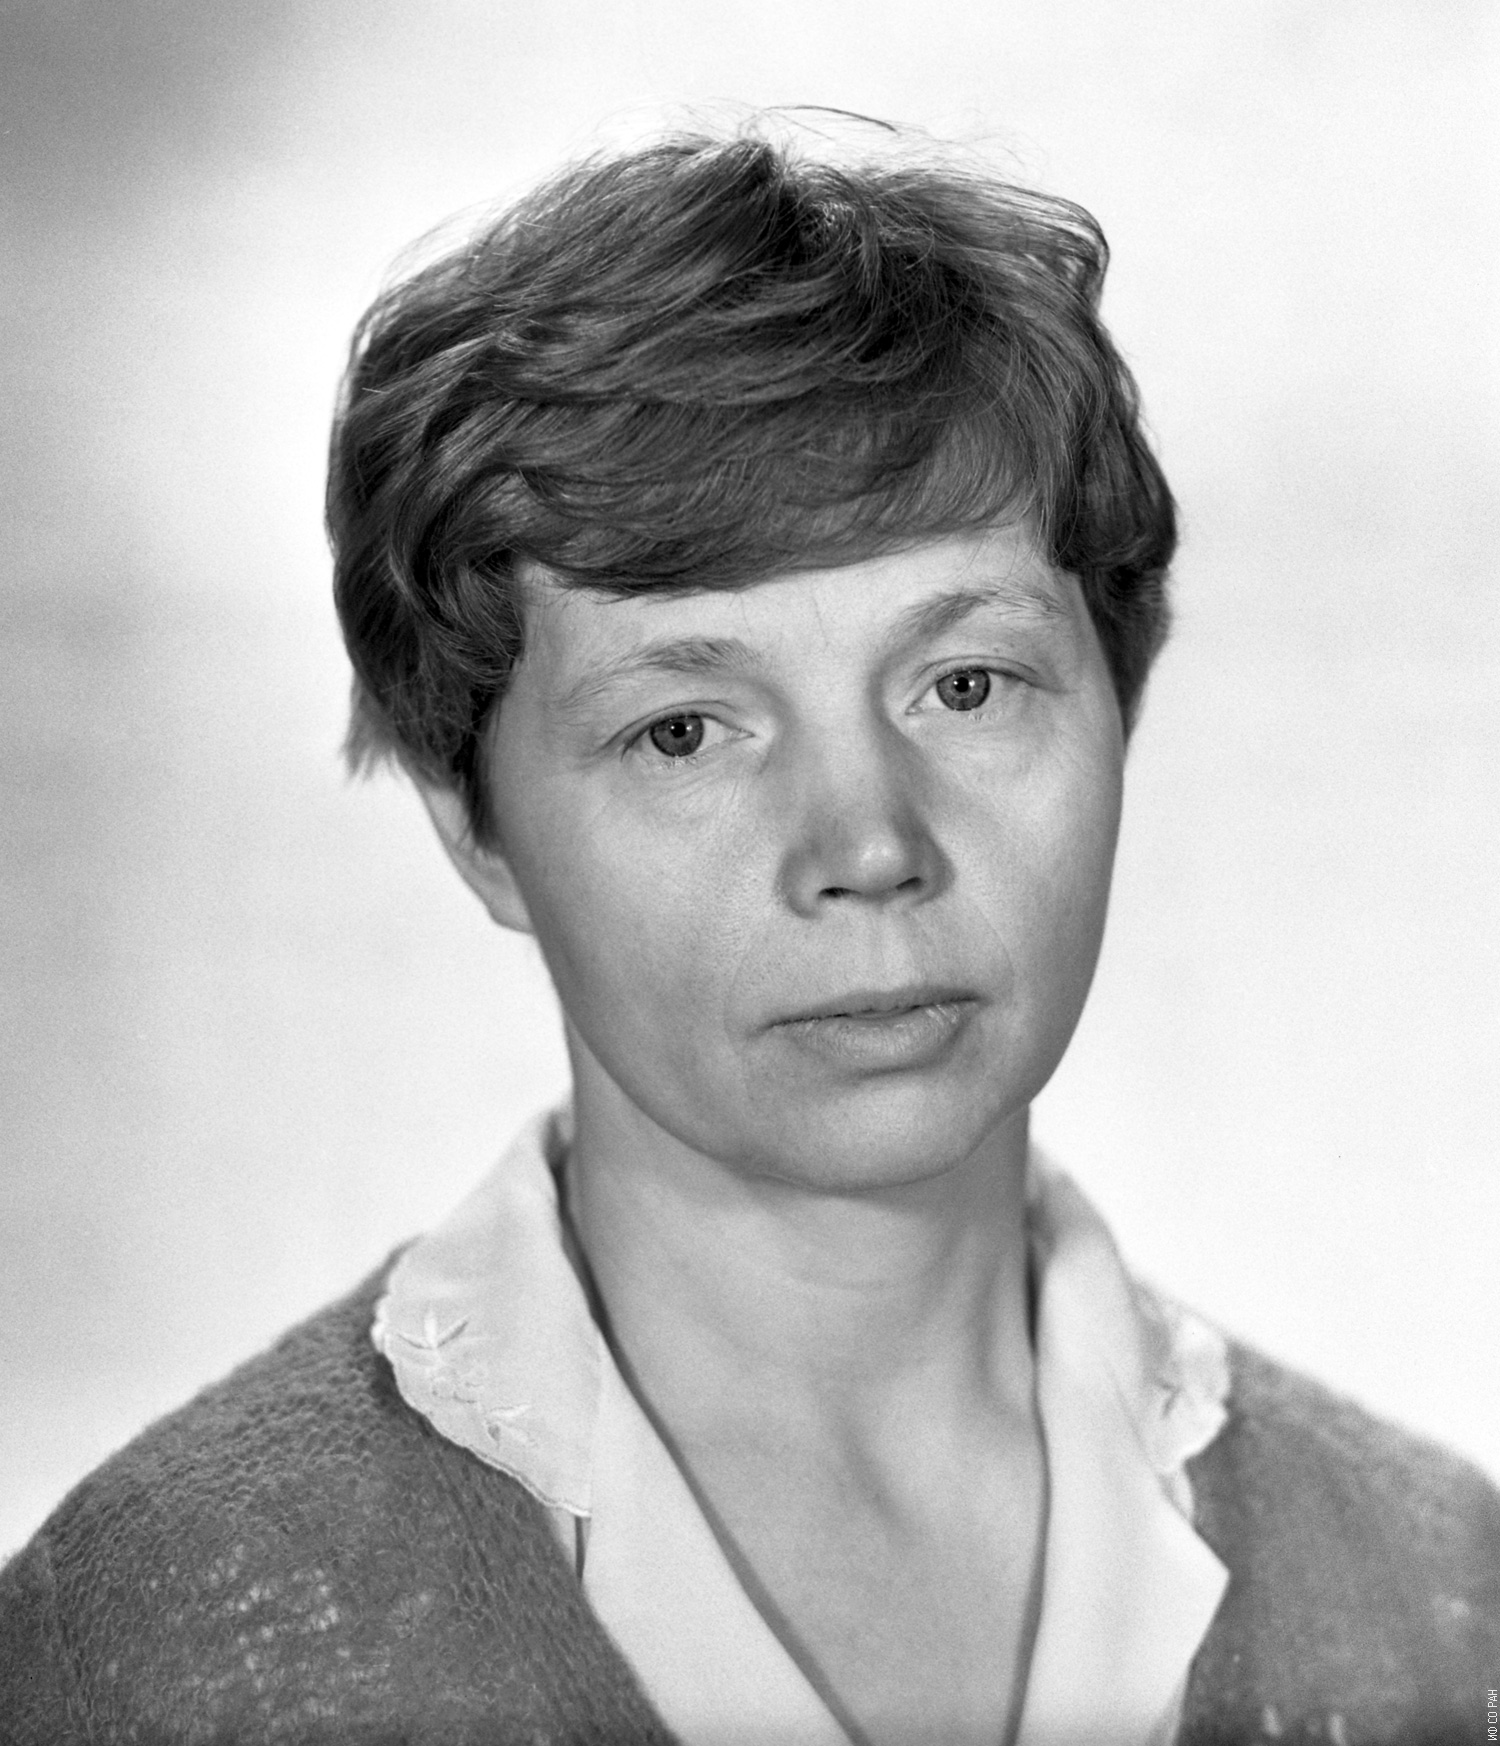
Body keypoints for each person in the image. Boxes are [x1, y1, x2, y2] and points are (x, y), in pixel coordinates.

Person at [1, 115, 1495, 1746]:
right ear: (474, 825)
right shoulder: (128, 1650)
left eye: (966, 684)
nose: (868, 846)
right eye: (684, 729)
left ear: (1119, 710)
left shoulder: (1448, 1603)